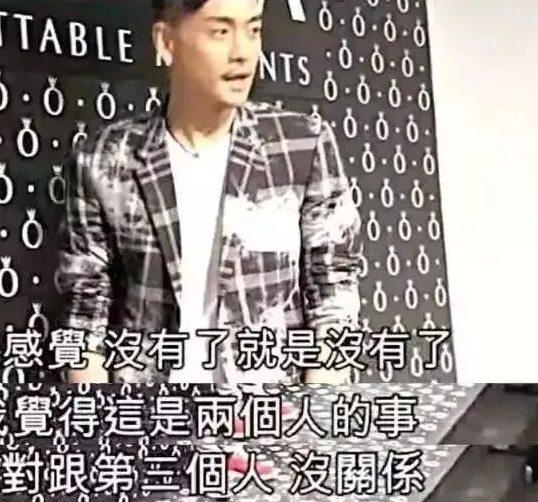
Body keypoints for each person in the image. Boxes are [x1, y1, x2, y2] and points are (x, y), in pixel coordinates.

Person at [56, 0, 363, 388]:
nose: (243, 52)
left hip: (271, 407)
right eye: (221, 31)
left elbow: (334, 294)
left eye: (253, 29)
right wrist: (99, 416)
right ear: (167, 42)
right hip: (150, 409)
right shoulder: (103, 159)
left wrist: (316, 412)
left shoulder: (301, 145)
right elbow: (84, 313)